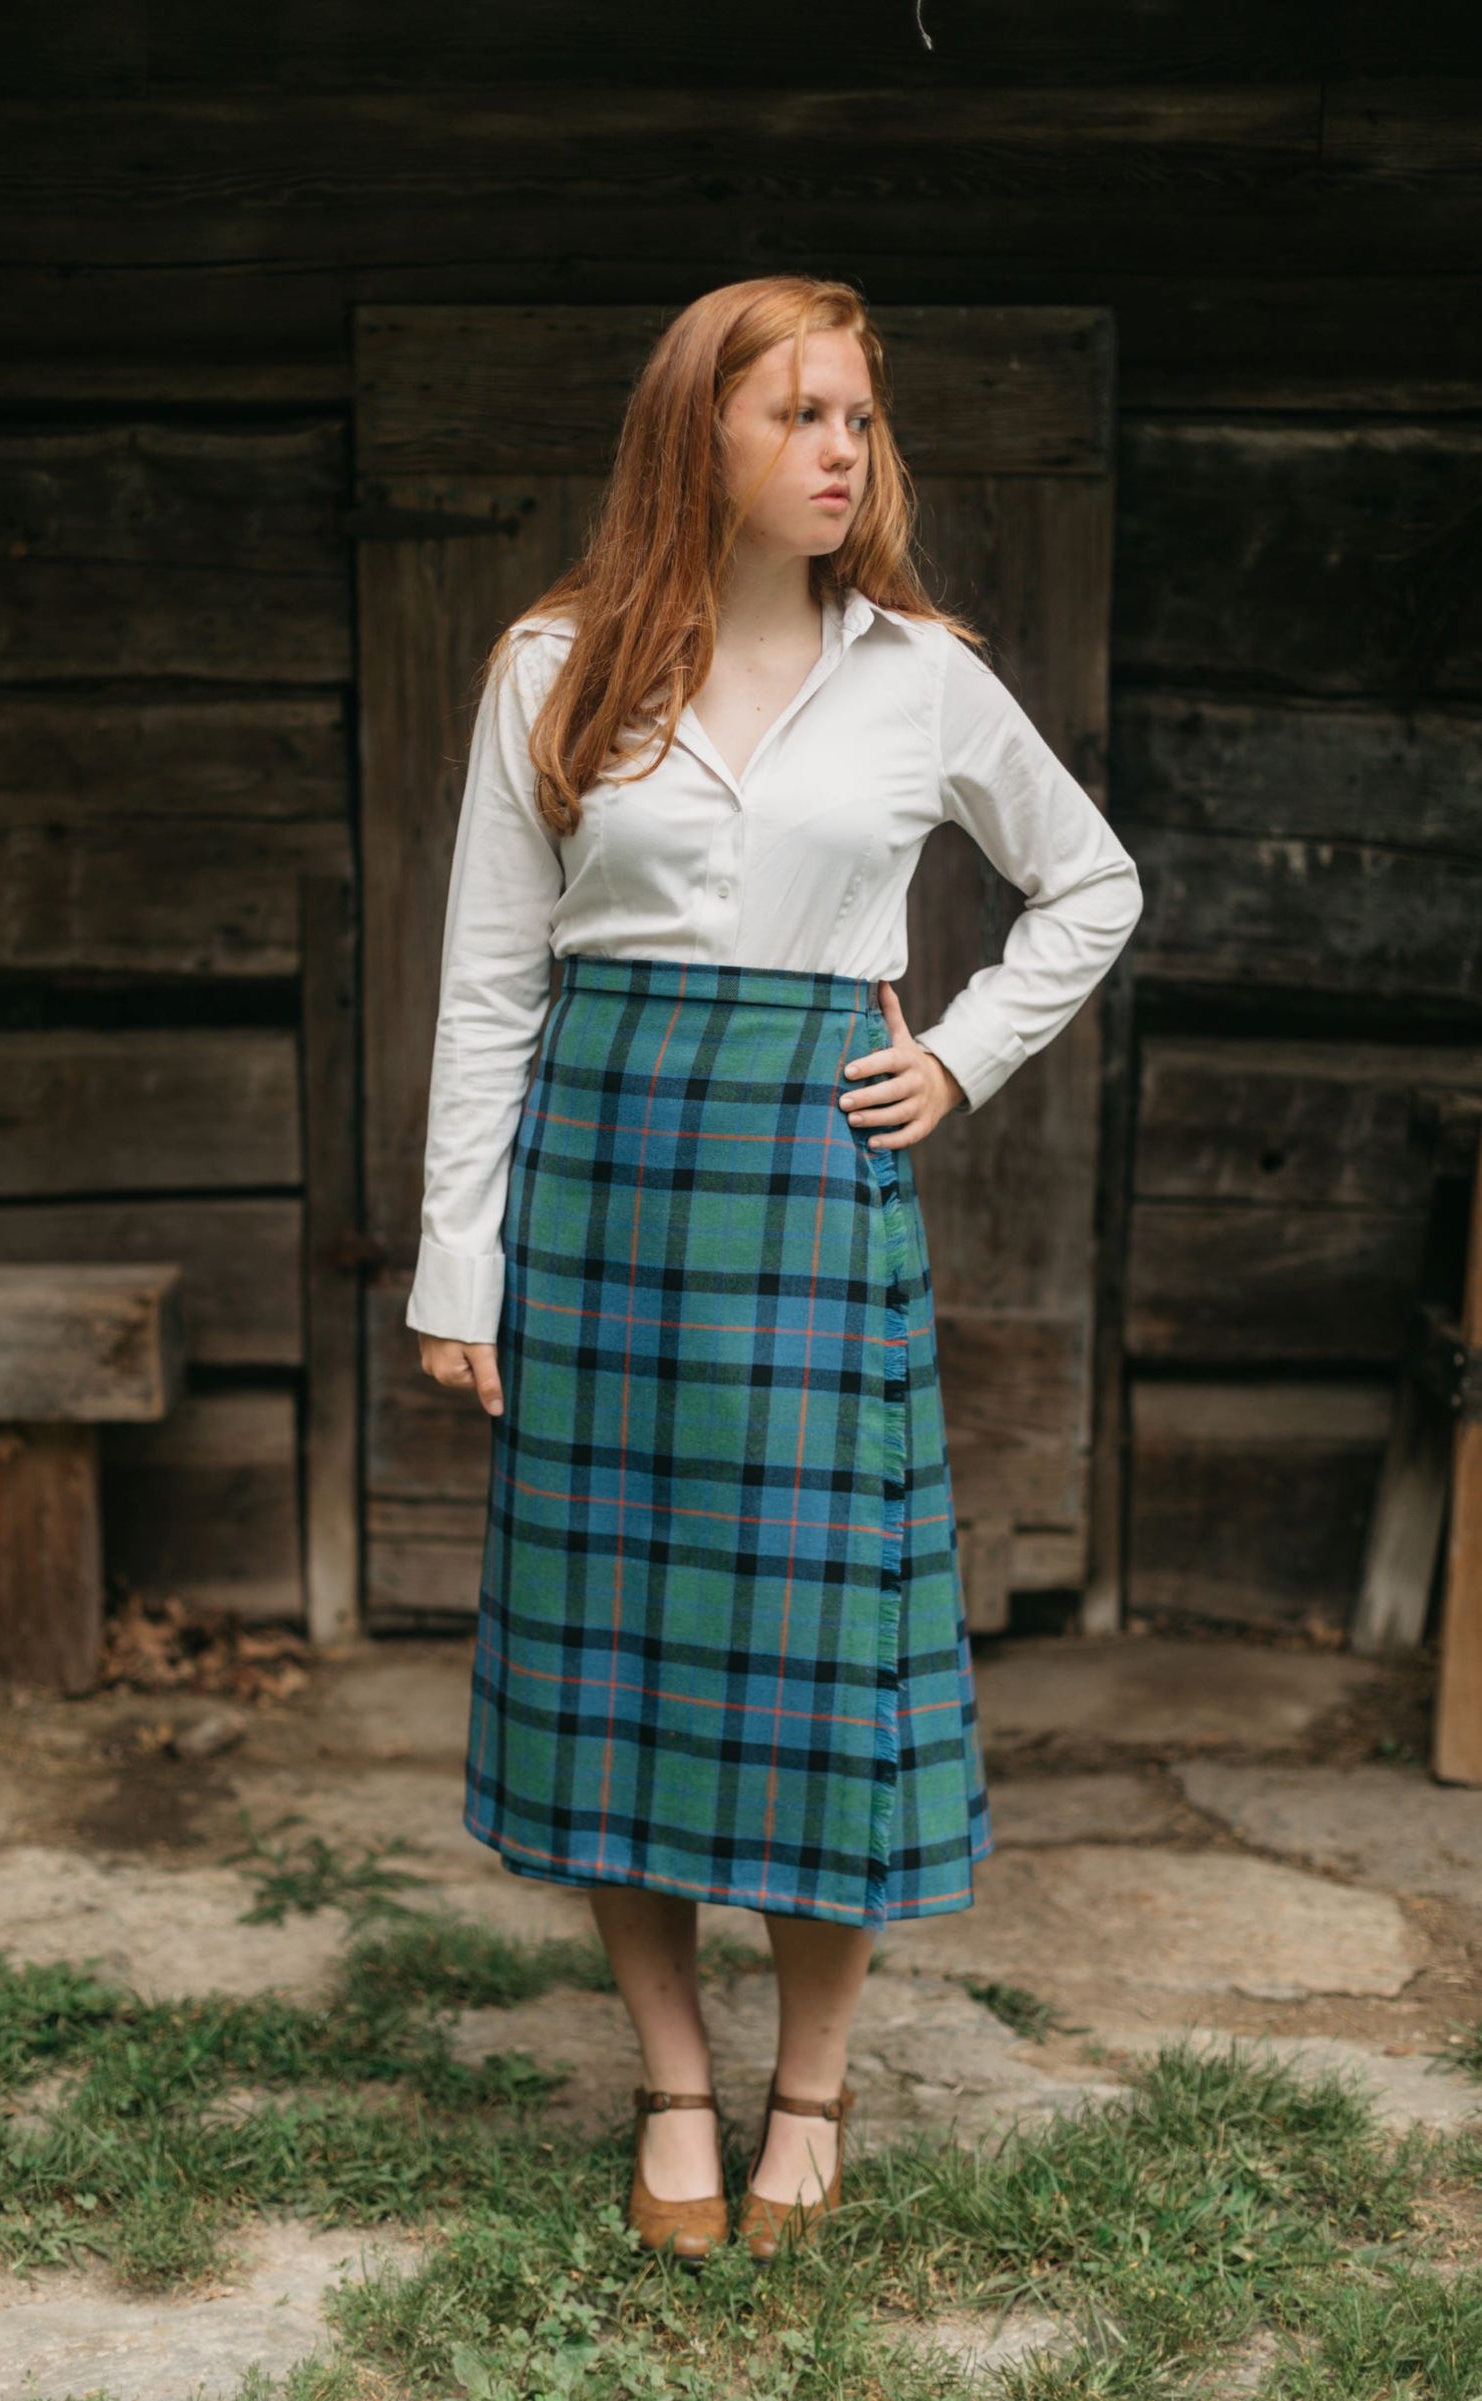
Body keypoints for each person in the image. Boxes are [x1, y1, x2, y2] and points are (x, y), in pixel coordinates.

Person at [410, 274, 1144, 2263]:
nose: (839, 450)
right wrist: (456, 1264)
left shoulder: (917, 676)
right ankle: (667, 2074)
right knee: (613, 1648)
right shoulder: (550, 666)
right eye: (795, 415)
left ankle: (806, 2088)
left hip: (810, 1193)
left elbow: (1089, 883)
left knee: (818, 1659)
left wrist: (956, 1054)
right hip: (605, 1177)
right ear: (697, 441)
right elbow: (489, 977)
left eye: (855, 418)